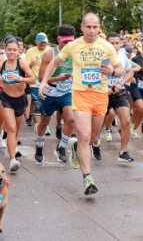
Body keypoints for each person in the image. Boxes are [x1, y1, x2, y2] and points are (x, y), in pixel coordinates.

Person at [39, 13, 123, 195]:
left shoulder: (107, 46)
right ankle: (88, 178)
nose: (92, 31)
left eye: (95, 27)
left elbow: (120, 69)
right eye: (88, 27)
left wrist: (112, 71)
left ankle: (76, 147)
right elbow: (54, 62)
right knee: (84, 135)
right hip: (80, 94)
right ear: (83, 28)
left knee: (93, 138)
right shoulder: (74, 46)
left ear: (100, 27)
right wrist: (44, 81)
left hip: (100, 95)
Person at [0, 37, 35, 172]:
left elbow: (33, 79)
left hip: (20, 99)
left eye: (14, 50)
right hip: (6, 98)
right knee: (11, 128)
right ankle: (13, 160)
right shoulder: (2, 64)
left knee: (16, 130)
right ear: (5, 50)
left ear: (19, 51)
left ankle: (10, 148)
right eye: (9, 50)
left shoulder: (22, 63)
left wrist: (20, 78)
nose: (12, 52)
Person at [36, 25, 76, 164]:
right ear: (59, 39)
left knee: (71, 119)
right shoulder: (49, 54)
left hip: (66, 91)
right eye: (65, 42)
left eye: (71, 41)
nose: (68, 44)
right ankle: (40, 143)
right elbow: (41, 78)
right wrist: (59, 78)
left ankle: (61, 147)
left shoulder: (75, 52)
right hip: (50, 92)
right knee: (45, 121)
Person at [103, 32, 134, 162]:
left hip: (119, 91)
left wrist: (121, 83)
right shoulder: (100, 55)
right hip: (102, 93)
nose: (115, 46)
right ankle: (95, 143)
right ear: (106, 43)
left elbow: (130, 71)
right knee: (97, 126)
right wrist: (104, 88)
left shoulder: (122, 55)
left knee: (126, 120)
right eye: (112, 43)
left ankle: (123, 152)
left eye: (117, 43)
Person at [25, 32, 51, 137]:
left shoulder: (50, 51)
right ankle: (37, 129)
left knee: (46, 106)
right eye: (41, 42)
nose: (43, 44)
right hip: (35, 83)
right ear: (36, 42)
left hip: (48, 82)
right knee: (37, 105)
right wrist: (30, 65)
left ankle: (44, 124)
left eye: (44, 42)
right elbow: (25, 67)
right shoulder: (30, 51)